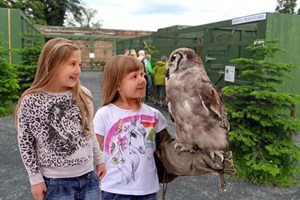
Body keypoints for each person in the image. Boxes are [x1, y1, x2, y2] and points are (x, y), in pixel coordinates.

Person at [15, 37, 106, 200]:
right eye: (72, 64)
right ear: (52, 64)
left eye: (79, 64)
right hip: (55, 184)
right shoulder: (31, 101)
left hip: (88, 178)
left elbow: (89, 131)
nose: (78, 70)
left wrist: (99, 158)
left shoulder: (83, 95)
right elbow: (26, 142)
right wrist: (35, 178)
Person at [93, 55, 168, 200]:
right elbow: (93, 149)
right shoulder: (105, 113)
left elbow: (167, 147)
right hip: (114, 190)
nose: (142, 80)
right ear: (117, 85)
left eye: (142, 74)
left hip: (147, 190)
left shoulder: (155, 115)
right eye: (134, 77)